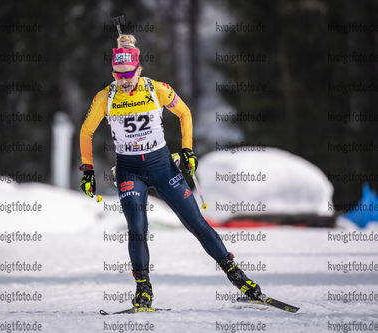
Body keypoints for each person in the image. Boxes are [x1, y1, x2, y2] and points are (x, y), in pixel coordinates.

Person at [79, 34, 262, 308]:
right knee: (137, 229)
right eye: (119, 75)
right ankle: (143, 289)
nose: (124, 79)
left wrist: (187, 150)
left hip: (162, 166)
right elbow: (86, 131)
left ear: (139, 69)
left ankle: (238, 277)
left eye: (129, 73)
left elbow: (185, 113)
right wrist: (88, 171)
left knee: (196, 223)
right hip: (130, 171)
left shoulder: (157, 89)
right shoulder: (106, 97)